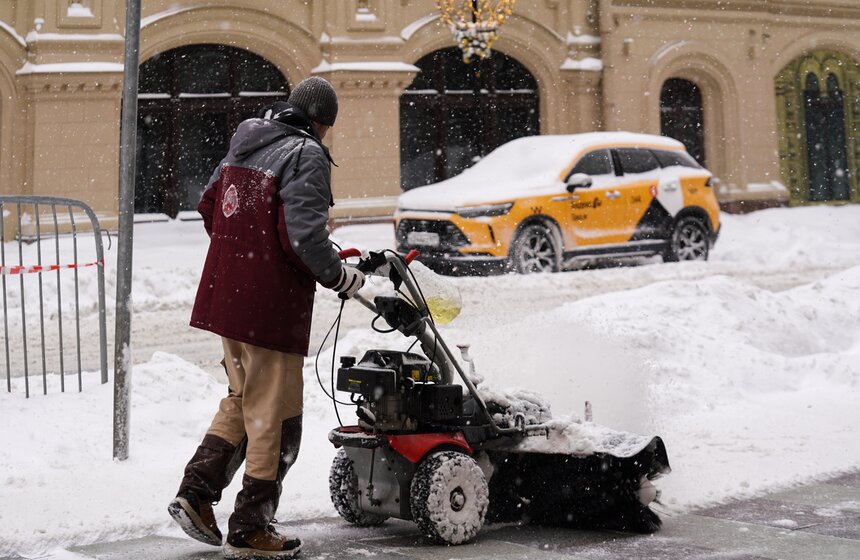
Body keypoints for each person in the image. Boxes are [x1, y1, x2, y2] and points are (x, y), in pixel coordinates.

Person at [167, 76, 365, 560]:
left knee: (242, 399)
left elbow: (210, 205)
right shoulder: (306, 153)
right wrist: (340, 277)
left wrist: (244, 253)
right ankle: (250, 527)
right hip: (269, 306)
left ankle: (195, 494)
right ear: (321, 122)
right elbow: (303, 236)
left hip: (228, 297)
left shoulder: (247, 139)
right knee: (274, 416)